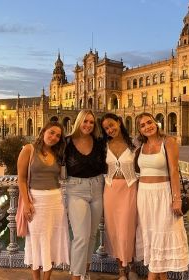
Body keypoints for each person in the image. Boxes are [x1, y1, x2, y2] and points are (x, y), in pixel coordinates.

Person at [135, 112, 189, 280]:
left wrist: (177, 199)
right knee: (152, 238)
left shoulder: (168, 142)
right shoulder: (140, 147)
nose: (147, 127)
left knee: (161, 237)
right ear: (139, 130)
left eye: (149, 122)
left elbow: (173, 171)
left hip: (163, 194)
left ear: (156, 123)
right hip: (144, 196)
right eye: (142, 125)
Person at [17, 121, 70, 280]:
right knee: (36, 240)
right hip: (36, 200)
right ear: (43, 131)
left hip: (55, 200)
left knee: (52, 241)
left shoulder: (58, 153)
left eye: (58, 135)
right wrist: (27, 203)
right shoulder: (29, 149)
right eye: (51, 132)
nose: (54, 137)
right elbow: (21, 179)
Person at [64, 109, 106, 280]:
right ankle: (76, 276)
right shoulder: (67, 142)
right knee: (81, 237)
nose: (88, 125)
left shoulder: (99, 141)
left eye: (91, 122)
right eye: (85, 121)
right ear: (78, 122)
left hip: (97, 188)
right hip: (76, 190)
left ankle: (85, 273)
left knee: (92, 235)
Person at [100, 113, 139, 280]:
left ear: (119, 122)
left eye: (111, 125)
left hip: (129, 188)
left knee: (129, 228)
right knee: (114, 229)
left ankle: (130, 264)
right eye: (106, 128)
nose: (110, 130)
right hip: (110, 190)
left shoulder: (134, 144)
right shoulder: (104, 145)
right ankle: (121, 269)